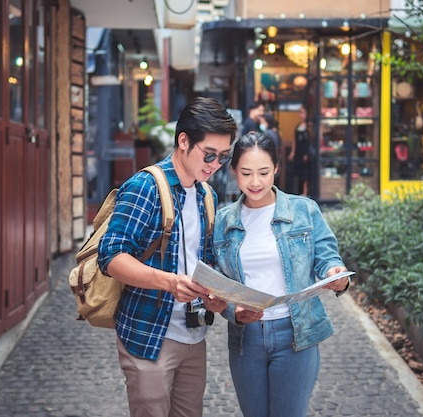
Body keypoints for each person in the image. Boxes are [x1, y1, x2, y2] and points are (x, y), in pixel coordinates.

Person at [97, 96, 236, 417]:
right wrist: (169, 282)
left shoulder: (207, 195)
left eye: (223, 158)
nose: (215, 165)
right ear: (183, 141)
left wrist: (216, 296)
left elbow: (204, 260)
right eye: (209, 154)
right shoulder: (146, 186)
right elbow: (111, 255)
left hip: (194, 335)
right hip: (149, 335)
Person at [212, 131, 350, 417]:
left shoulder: (304, 210)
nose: (255, 182)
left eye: (264, 172)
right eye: (246, 173)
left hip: (295, 334)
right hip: (246, 338)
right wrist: (232, 310)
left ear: (276, 167)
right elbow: (215, 278)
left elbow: (327, 258)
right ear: (234, 170)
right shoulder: (223, 221)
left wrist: (335, 273)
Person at [287, 104, 311, 196]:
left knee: (306, 173)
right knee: (298, 172)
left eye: (303, 112)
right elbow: (294, 140)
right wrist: (292, 152)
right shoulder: (298, 126)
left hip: (306, 153)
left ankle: (305, 193)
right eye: (299, 112)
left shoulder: (309, 126)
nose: (301, 115)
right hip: (298, 153)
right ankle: (298, 192)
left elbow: (311, 141)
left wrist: (307, 153)